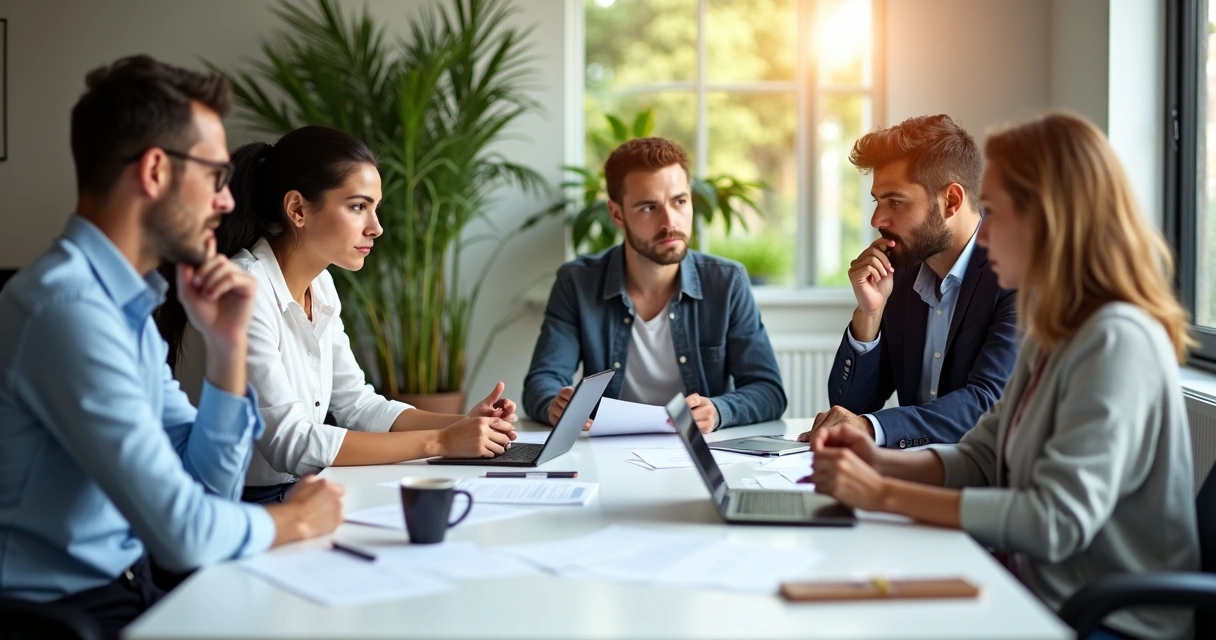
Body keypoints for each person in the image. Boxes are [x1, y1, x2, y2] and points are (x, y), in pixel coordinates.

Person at [809, 112, 1199, 640]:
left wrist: (881, 492)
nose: (983, 232)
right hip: (1028, 589)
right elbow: (982, 457)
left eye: (994, 211)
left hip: (1100, 619)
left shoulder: (1117, 339)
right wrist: (878, 462)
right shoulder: (1054, 327)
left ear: (1050, 220)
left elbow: (1054, 522)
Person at [0, 55, 343, 637]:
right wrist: (295, 522)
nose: (227, 201)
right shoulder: (70, 311)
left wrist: (227, 347)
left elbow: (208, 486)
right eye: (213, 176)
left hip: (132, 588)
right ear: (155, 171)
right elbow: (183, 533)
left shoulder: (121, 304)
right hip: (62, 617)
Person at [156, 125, 519, 504]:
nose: (376, 228)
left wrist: (465, 424)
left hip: (299, 489)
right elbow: (292, 443)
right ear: (297, 209)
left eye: (374, 208)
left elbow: (356, 404)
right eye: (358, 207)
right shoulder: (244, 290)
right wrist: (441, 441)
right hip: (237, 502)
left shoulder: (322, 284)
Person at [523, 137, 786, 433]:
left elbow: (768, 391)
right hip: (606, 450)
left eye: (680, 201)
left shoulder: (727, 282)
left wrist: (719, 410)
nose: (670, 221)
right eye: (649, 207)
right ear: (617, 214)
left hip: (698, 454)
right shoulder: (577, 282)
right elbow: (542, 381)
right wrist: (554, 404)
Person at [798, 114, 1019, 449]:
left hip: (984, 485)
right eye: (877, 200)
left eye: (895, 201)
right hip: (911, 475)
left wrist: (872, 429)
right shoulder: (901, 273)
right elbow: (850, 407)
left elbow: (987, 405)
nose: (877, 220)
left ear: (952, 201)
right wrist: (869, 314)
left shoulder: (1017, 273)